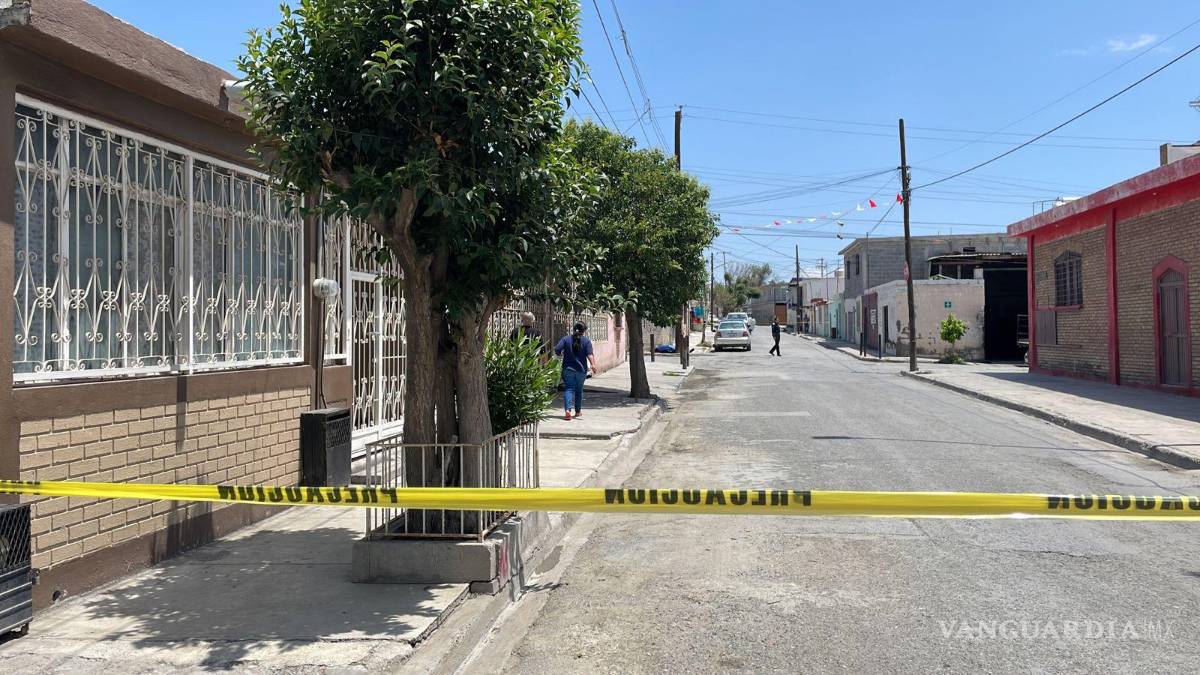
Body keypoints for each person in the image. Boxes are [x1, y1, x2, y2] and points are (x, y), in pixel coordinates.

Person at [553, 322, 597, 420]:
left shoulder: (565, 339)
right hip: (581, 370)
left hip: (568, 369)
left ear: (574, 329)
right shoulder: (586, 341)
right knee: (579, 390)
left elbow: (557, 349)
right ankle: (577, 412)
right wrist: (593, 365)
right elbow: (590, 354)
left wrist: (561, 353)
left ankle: (567, 411)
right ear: (584, 331)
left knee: (568, 389)